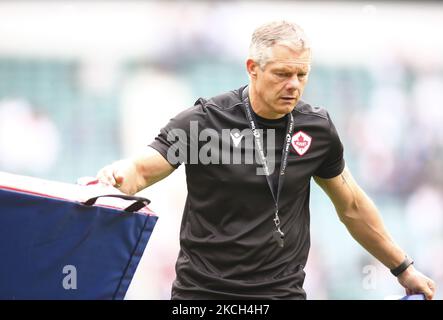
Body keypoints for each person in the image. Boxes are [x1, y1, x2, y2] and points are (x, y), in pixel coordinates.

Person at [96, 20, 436, 300]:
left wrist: (403, 268)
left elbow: (352, 206)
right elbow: (141, 169)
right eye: (282, 74)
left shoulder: (316, 129)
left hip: (281, 296)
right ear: (252, 69)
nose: (294, 85)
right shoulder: (205, 122)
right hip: (203, 298)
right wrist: (117, 176)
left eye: (302, 75)